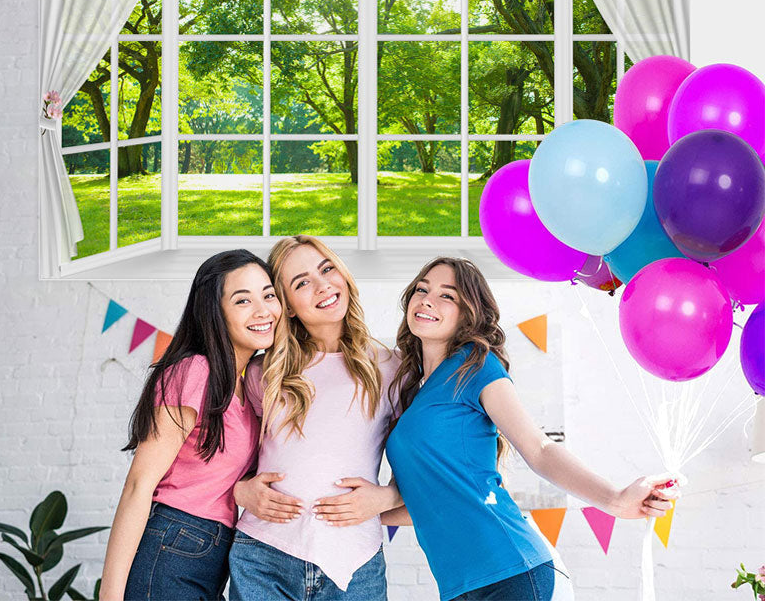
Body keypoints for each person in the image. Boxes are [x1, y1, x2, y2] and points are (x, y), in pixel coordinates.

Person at [383, 257, 681, 601]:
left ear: (468, 313)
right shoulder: (415, 393)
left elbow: (538, 449)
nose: (427, 300)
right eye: (422, 289)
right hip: (461, 587)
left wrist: (612, 500)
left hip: (513, 574)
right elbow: (432, 503)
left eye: (447, 296)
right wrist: (341, 515)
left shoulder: (475, 366)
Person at [99, 250, 281, 601]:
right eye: (243, 300)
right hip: (174, 544)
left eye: (268, 295)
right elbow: (139, 485)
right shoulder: (196, 370)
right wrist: (110, 596)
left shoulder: (250, 386)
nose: (263, 311)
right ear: (215, 312)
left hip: (214, 553)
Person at [229, 235, 403, 601]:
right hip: (264, 554)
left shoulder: (391, 368)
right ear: (287, 306)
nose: (323, 285)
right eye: (302, 282)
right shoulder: (266, 371)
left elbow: (425, 463)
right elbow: (229, 460)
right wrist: (241, 490)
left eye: (327, 269)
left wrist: (386, 497)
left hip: (355, 560)